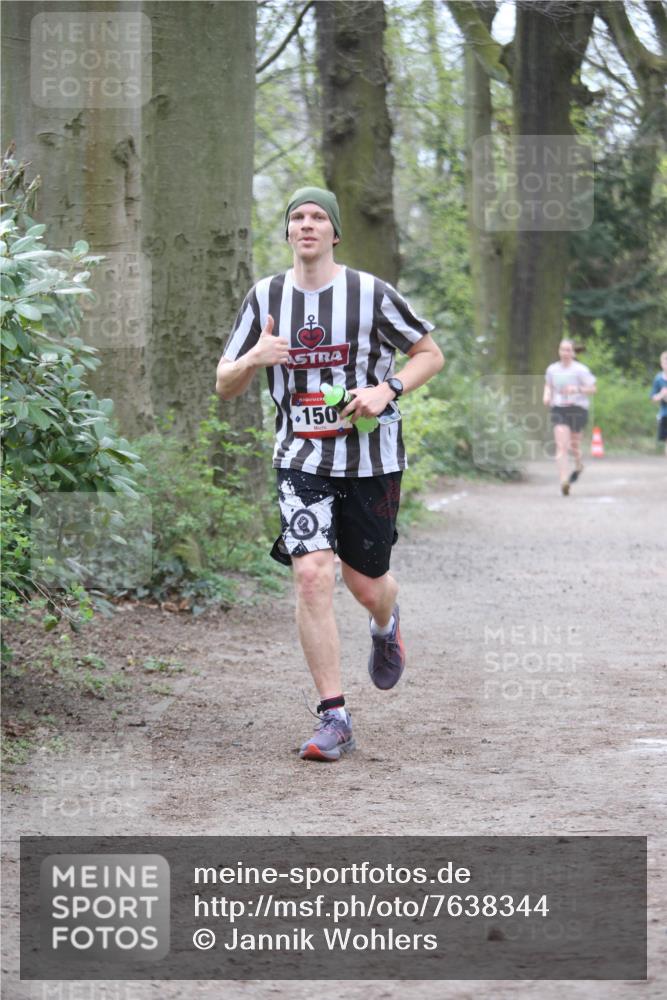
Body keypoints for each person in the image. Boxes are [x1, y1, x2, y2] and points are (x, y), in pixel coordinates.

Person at [216, 186, 443, 762]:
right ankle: (334, 715)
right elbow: (224, 383)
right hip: (300, 459)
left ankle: (385, 622)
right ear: (288, 232)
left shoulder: (370, 293)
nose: (308, 224)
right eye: (298, 217)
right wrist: (254, 358)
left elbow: (430, 354)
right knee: (313, 575)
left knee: (367, 584)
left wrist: (387, 389)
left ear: (335, 232)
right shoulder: (265, 297)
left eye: (319, 217)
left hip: (371, 459)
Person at [543, 339, 596, 495]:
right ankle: (564, 481)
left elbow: (593, 389)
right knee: (561, 446)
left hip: (578, 408)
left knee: (574, 446)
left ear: (573, 353)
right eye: (562, 349)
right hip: (559, 408)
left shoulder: (581, 370)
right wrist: (546, 395)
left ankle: (578, 464)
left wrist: (577, 389)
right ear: (558, 351)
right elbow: (548, 385)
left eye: (568, 350)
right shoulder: (552, 369)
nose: (565, 353)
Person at [650, 351, 667, 456]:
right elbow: (652, 398)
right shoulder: (658, 379)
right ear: (661, 364)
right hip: (664, 414)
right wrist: (661, 394)